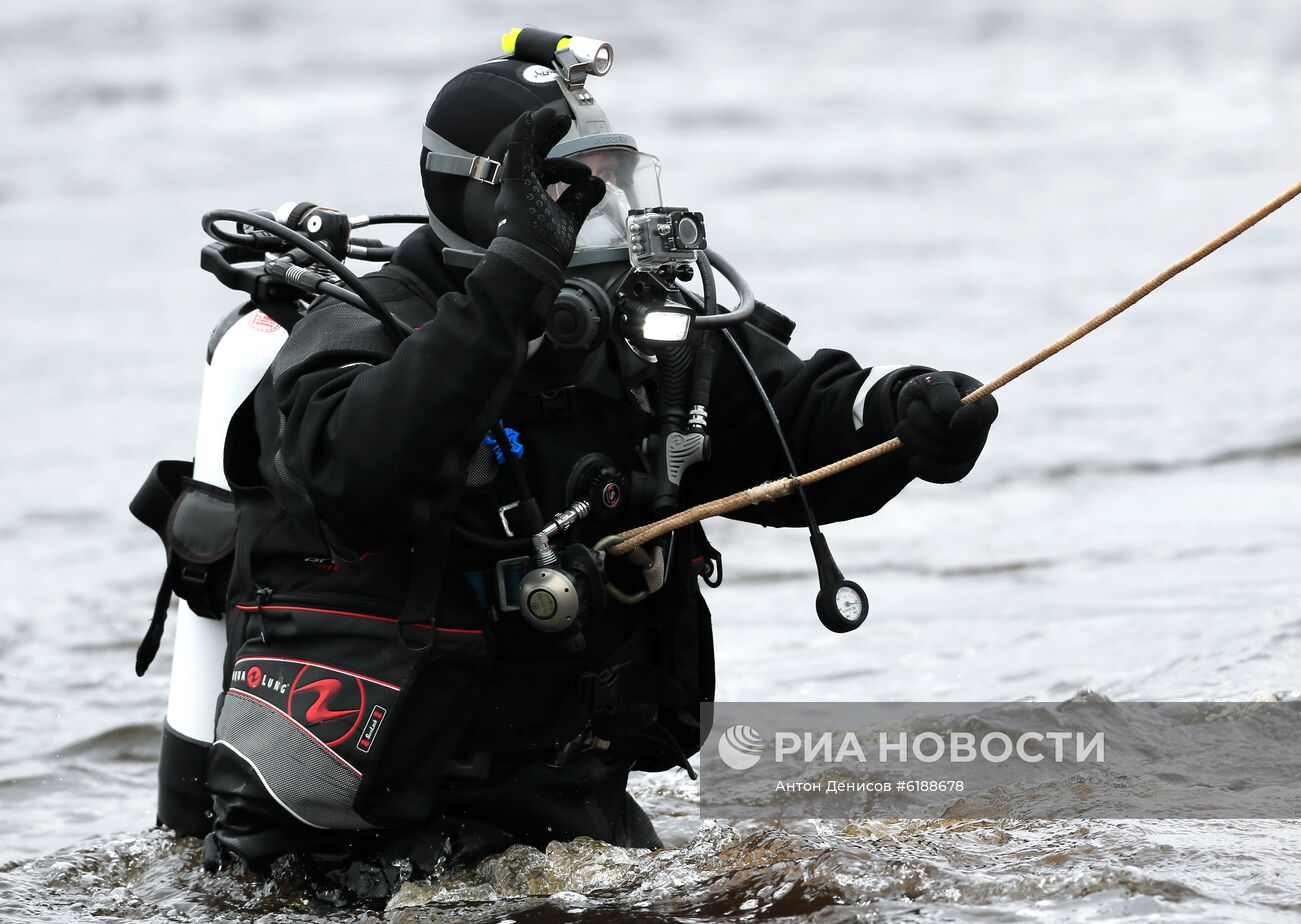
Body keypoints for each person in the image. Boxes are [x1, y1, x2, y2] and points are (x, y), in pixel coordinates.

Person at [201, 35, 998, 896]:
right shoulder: (367, 328)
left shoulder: (638, 329)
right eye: (572, 188)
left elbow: (797, 424)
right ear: (485, 194)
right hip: (353, 844)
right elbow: (357, 472)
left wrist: (903, 417)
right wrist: (514, 284)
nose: (606, 209)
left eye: (614, 180)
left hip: (564, 814)